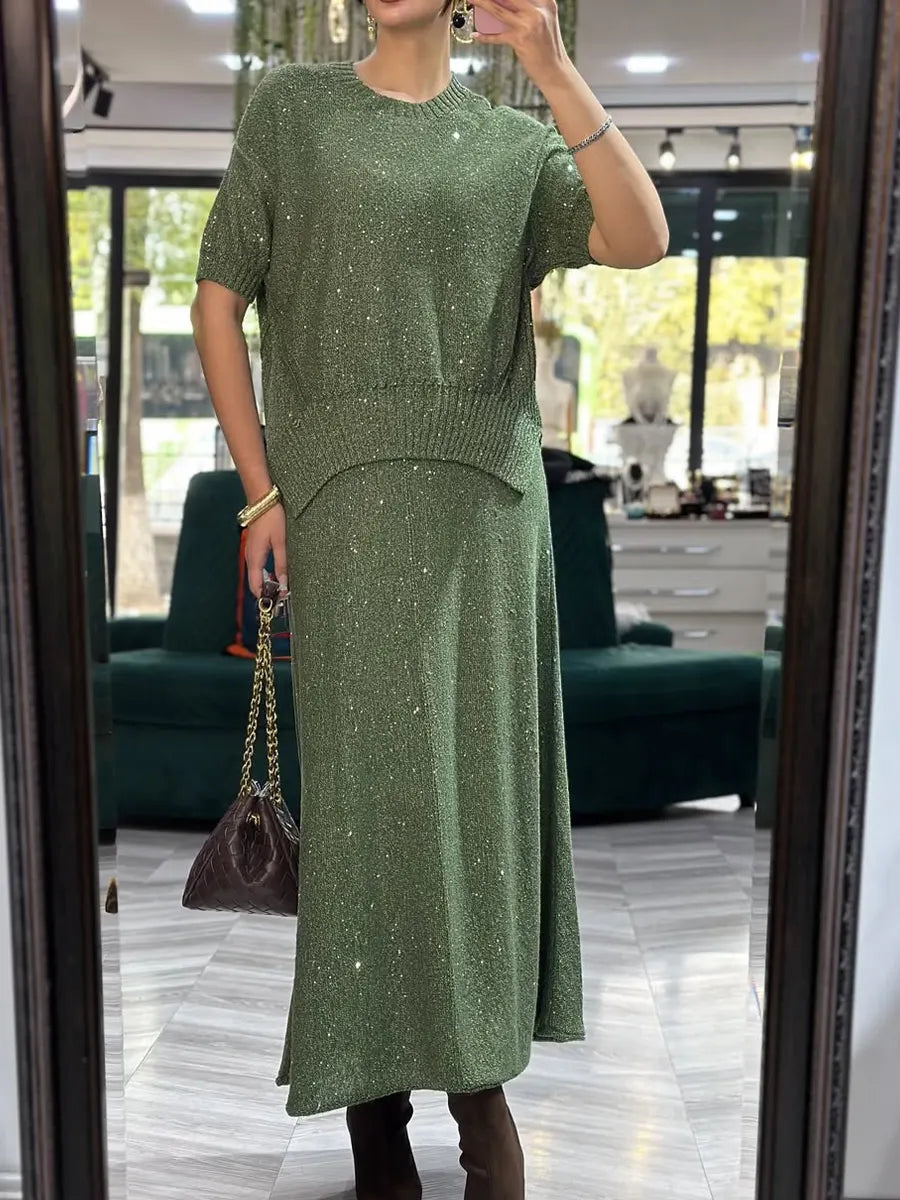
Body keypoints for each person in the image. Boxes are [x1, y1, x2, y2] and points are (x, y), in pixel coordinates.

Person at [190, 1, 668, 1195]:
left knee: (478, 805)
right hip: (346, 509)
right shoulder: (294, 113)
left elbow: (641, 236)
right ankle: (375, 1101)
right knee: (371, 805)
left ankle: (480, 1084)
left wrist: (551, 64)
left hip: (489, 519)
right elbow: (216, 300)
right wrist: (259, 493)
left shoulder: (512, 144)